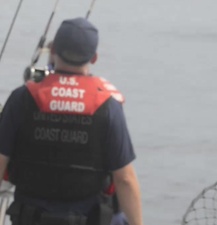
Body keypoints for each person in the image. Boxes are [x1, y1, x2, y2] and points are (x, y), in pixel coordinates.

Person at [0, 17, 142, 225]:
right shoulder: (107, 106)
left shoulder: (22, 98)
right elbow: (125, 180)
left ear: (53, 50)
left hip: (29, 217)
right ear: (94, 58)